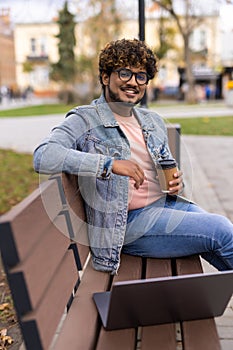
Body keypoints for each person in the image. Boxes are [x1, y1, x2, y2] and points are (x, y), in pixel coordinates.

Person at [33, 38, 233, 274]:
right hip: (125, 226)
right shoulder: (85, 120)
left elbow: (165, 173)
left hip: (165, 207)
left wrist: (177, 184)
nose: (133, 82)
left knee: (222, 239)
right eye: (125, 73)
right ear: (106, 77)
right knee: (220, 230)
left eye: (141, 76)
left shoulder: (151, 121)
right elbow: (43, 155)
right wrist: (109, 164)